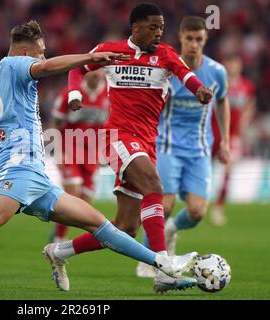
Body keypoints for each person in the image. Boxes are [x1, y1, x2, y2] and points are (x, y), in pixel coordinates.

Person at [0, 20, 198, 298]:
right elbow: (46, 68)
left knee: (100, 224)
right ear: (23, 53)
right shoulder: (18, 65)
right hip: (17, 166)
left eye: (45, 51)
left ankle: (162, 263)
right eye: (40, 51)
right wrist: (90, 56)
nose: (43, 57)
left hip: (34, 174)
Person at [43, 4, 213, 293]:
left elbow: (186, 76)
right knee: (153, 185)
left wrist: (199, 89)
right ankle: (164, 269)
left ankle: (59, 252)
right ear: (136, 28)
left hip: (146, 143)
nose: (160, 32)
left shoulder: (166, 55)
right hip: (116, 137)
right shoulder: (111, 49)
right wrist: (74, 93)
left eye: (162, 27)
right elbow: (78, 68)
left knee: (125, 228)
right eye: (154, 27)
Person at [136, 16, 230, 278]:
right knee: (163, 206)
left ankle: (171, 230)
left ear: (205, 40)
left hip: (200, 149)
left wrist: (224, 141)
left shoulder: (217, 72)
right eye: (189, 38)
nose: (193, 44)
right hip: (167, 146)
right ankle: (150, 259)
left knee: (198, 212)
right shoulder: (168, 70)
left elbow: (222, 101)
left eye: (198, 39)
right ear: (180, 38)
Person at [50, 70, 109, 242]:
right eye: (92, 70)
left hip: (93, 153)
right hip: (70, 148)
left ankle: (59, 232)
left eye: (100, 70)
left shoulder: (109, 93)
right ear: (84, 71)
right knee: (72, 194)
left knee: (85, 202)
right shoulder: (70, 93)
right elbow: (55, 121)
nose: (96, 74)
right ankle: (59, 239)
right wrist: (55, 150)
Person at [210, 54, 256, 226]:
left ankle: (219, 207)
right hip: (212, 133)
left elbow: (250, 105)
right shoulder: (218, 84)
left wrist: (245, 122)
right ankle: (198, 201)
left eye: (236, 63)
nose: (233, 67)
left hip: (233, 135)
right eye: (230, 63)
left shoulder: (246, 86)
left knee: (228, 170)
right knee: (204, 169)